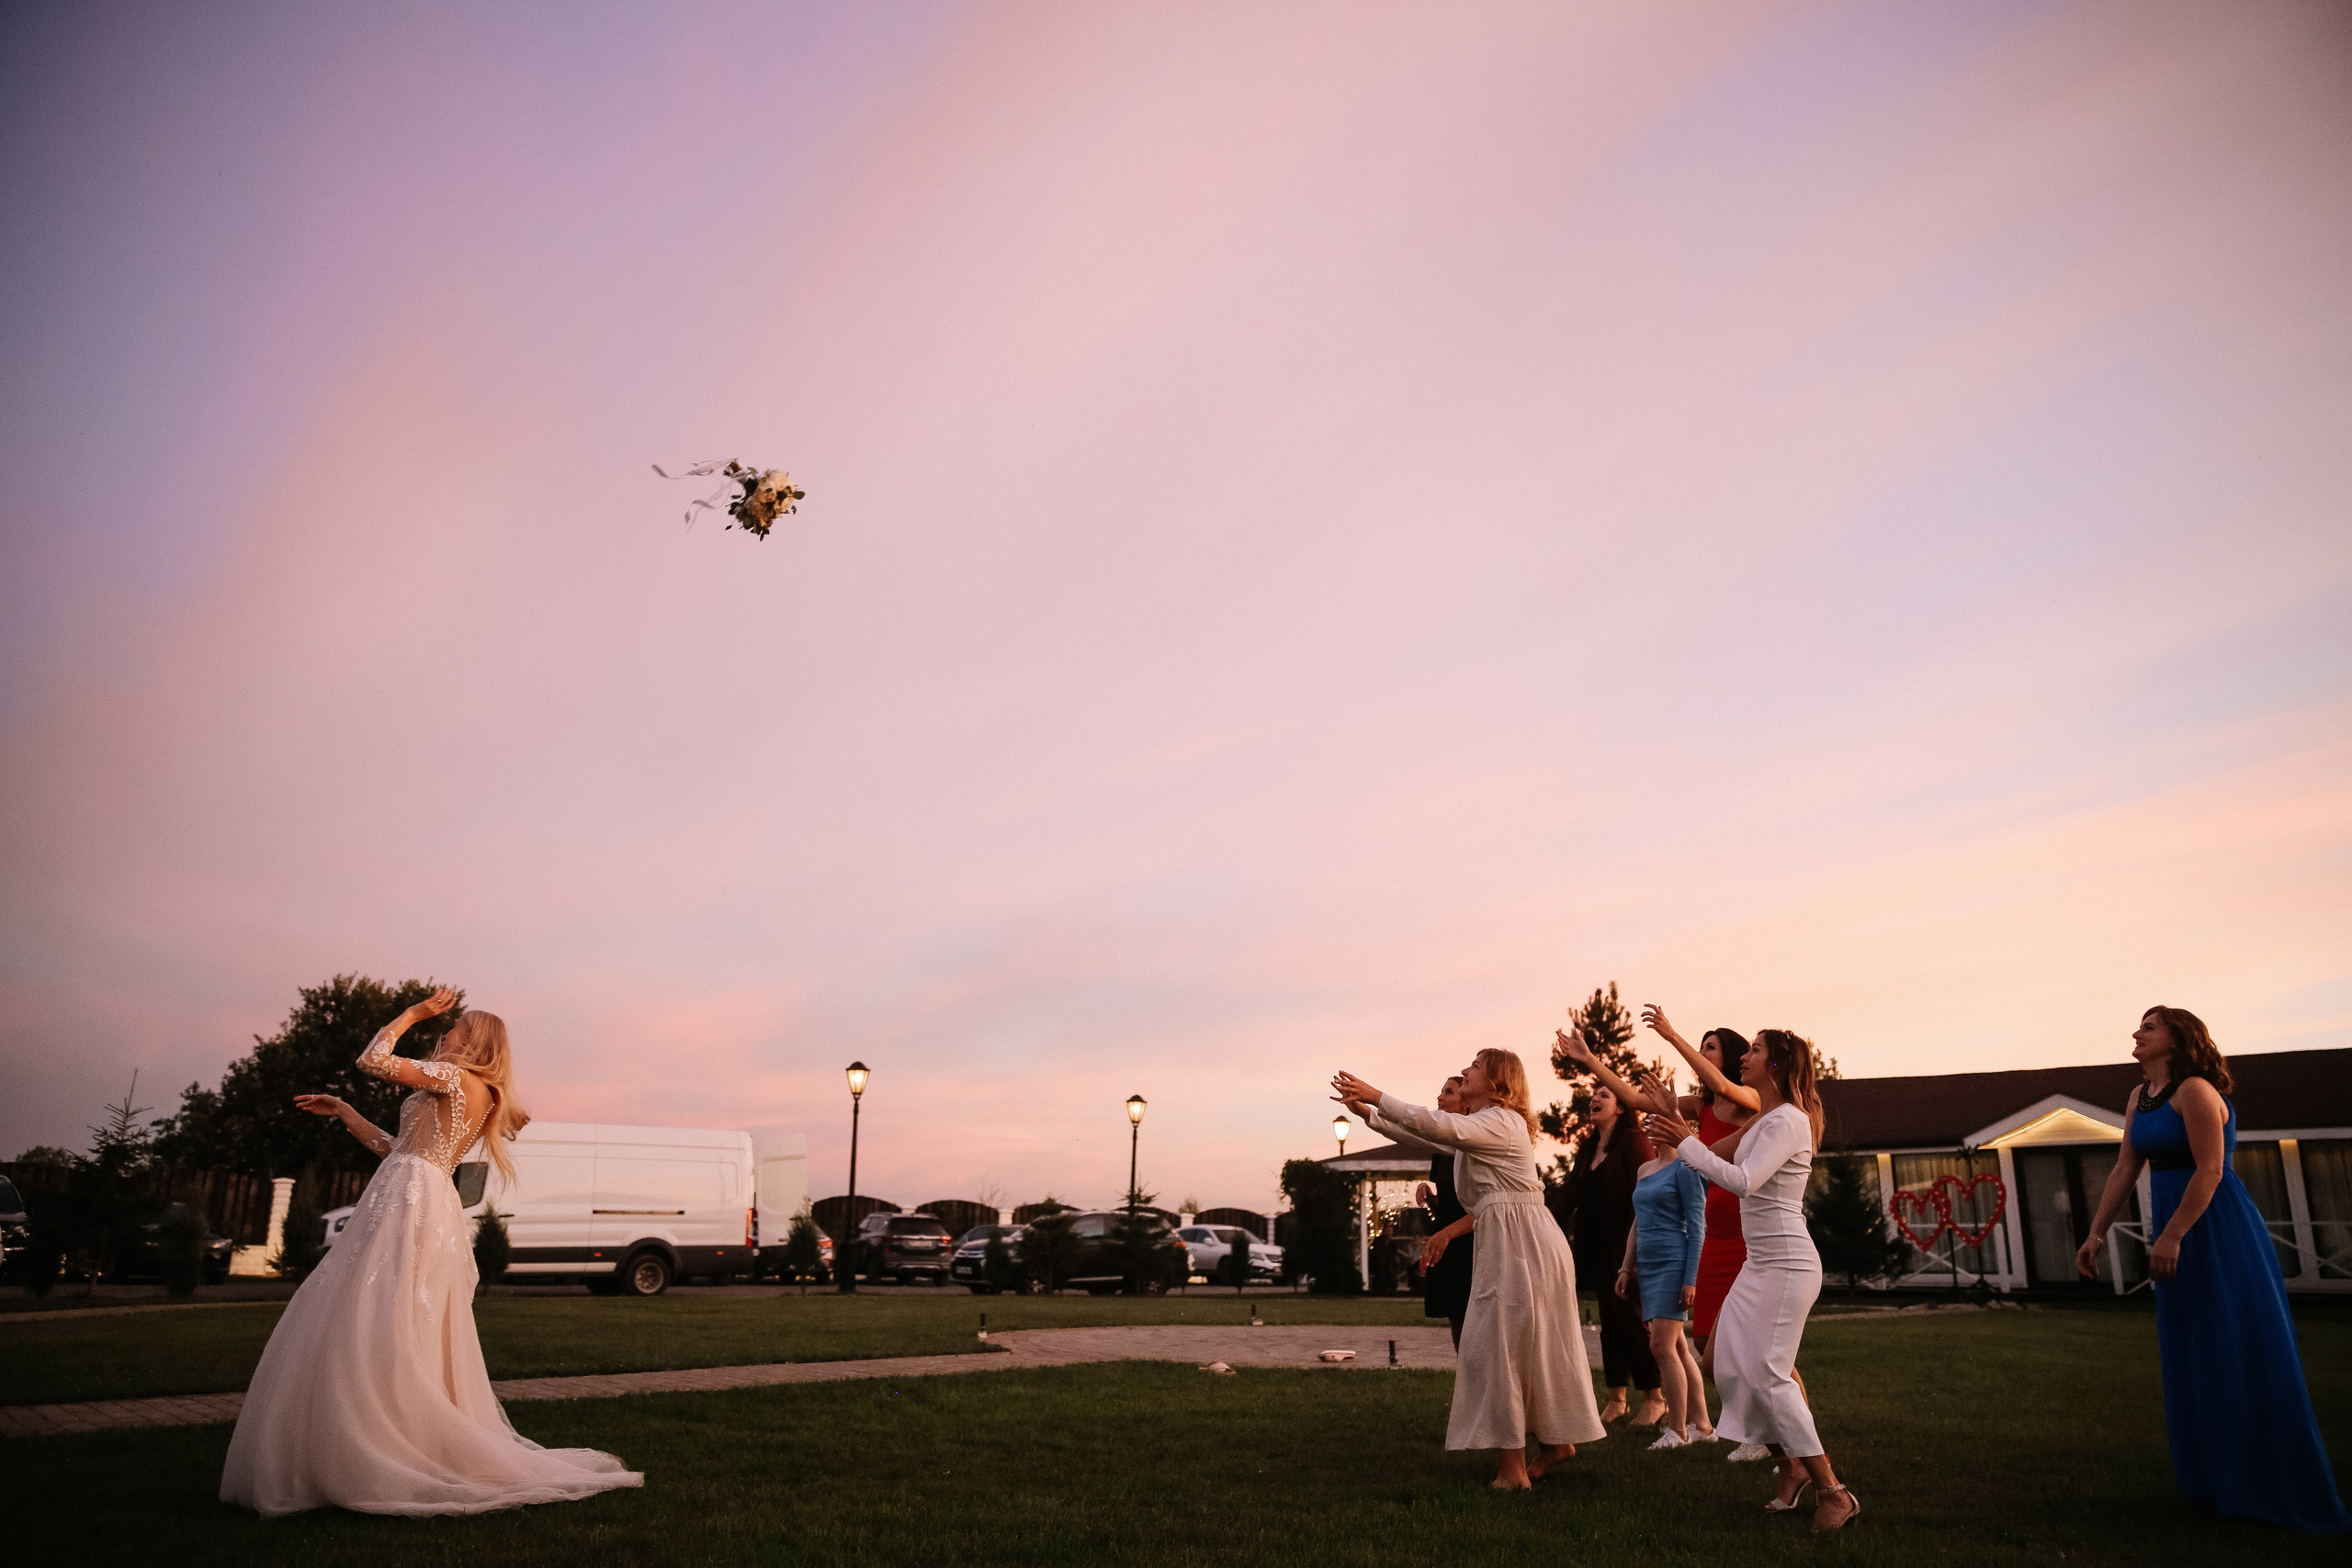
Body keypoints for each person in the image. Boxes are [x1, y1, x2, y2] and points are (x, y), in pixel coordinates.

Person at [221, 990, 642, 1517]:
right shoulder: (466, 1087)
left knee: (385, 1310)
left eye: (458, 1025)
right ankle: (365, 1436)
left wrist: (414, 1013)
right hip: (407, 1188)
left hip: (412, 1200)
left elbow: (373, 1059)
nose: (447, 1029)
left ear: (478, 1041)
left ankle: (387, 1440)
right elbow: (395, 1148)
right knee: (375, 1309)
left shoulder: (457, 1080)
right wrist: (346, 1111)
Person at [2075, 1007, 2350, 1533]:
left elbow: (2212, 1169)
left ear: (2177, 1039)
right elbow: (2124, 1167)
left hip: (2215, 1228)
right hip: (2176, 1222)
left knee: (2235, 1344)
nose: (2137, 1033)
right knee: (2192, 1349)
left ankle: (2269, 1485)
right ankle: (2213, 1480)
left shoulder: (2196, 1091)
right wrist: (2095, 1233)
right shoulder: (2138, 1098)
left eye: (2149, 1027)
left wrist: (2172, 1233)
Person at [1333, 1048, 1605, 1490]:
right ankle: (1553, 1445)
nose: (1465, 1070)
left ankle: (1514, 1470)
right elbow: (1431, 1137)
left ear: (1500, 1084)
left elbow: (1436, 1124)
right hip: (1512, 1240)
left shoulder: (1502, 1121)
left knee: (1497, 1349)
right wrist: (1368, 1113)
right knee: (1508, 1348)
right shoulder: (1480, 1128)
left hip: (1524, 1244)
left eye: (1476, 1066)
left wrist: (1378, 1095)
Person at [1645, 1029, 1858, 1532]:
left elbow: (1742, 1180)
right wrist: (1677, 1127)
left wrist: (1685, 1141)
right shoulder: (1766, 1117)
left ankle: (1833, 1490)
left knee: (1767, 1372)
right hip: (1759, 1263)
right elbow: (1710, 1155)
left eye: (1756, 1050)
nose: (1746, 1057)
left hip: (1787, 1263)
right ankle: (1789, 1464)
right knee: (1719, 1359)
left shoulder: (1789, 1120)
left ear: (1779, 1065)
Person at [1639, 1008, 1775, 1462]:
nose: (1701, 1053)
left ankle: (1767, 1435)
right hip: (1711, 1240)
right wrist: (1588, 1059)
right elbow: (1631, 1098)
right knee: (1706, 1348)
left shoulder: (1746, 1102)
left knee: (1756, 1348)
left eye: (1710, 1047)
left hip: (1743, 1236)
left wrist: (1670, 1034)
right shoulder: (1700, 1108)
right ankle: (1726, 1425)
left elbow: (1719, 1086)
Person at [1551, 1048, 1663, 1424]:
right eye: (1594, 1093)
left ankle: (1656, 1396)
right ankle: (1617, 1398)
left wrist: (1636, 1255)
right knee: (1608, 1321)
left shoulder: (1632, 1141)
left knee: (1629, 1319)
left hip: (1627, 1248)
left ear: (1620, 1107)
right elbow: (1568, 1194)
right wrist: (1539, 1218)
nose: (1595, 1097)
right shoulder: (1587, 1147)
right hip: (1595, 1248)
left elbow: (1646, 1195)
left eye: (1605, 1094)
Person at [1617, 1131, 1711, 1448]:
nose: (1649, 1127)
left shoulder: (1687, 1168)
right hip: (1648, 1265)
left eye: (1657, 1119)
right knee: (1679, 1349)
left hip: (1674, 1263)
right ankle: (1702, 1425)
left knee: (1661, 1348)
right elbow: (1637, 1222)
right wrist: (1626, 1267)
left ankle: (1678, 1431)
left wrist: (1691, 1278)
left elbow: (1698, 1226)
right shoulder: (1645, 1169)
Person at [1410, 1075, 1477, 1348]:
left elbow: (1481, 1204)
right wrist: (1429, 1191)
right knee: (1455, 1313)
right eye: (1441, 1091)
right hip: (1447, 1238)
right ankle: (1465, 1375)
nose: (1440, 1097)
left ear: (1465, 1105)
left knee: (1473, 1313)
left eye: (1448, 1092)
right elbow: (1453, 1194)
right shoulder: (1440, 1147)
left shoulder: (1475, 1143)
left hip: (1472, 1239)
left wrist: (1448, 1234)